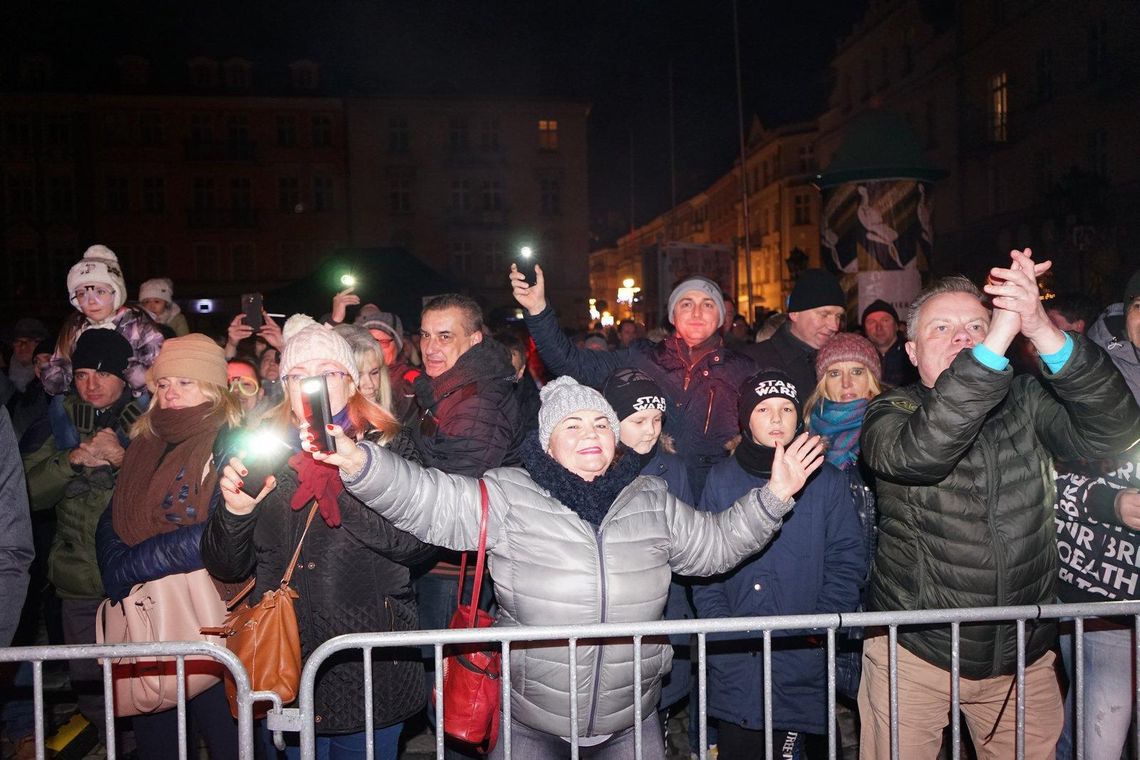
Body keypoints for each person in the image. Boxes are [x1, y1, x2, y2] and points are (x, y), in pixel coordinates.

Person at [313, 374, 824, 759]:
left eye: (602, 424)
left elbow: (714, 546)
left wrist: (775, 495)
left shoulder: (650, 497)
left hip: (632, 720)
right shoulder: (509, 495)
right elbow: (427, 499)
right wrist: (361, 463)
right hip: (531, 724)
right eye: (573, 425)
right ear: (547, 441)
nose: (591, 435)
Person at [857, 251, 1140, 759]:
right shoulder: (891, 410)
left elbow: (1114, 430)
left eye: (977, 325)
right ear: (912, 351)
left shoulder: (1027, 401)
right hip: (916, 653)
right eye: (942, 327)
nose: (963, 336)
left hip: (1021, 657)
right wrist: (988, 349)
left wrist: (1041, 329)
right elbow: (921, 453)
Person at [202, 315, 432, 760]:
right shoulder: (261, 447)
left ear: (351, 382)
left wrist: (346, 477)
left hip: (367, 665)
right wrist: (235, 513)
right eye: (299, 376)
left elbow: (416, 546)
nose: (314, 386)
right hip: (285, 660)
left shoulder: (389, 445)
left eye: (327, 373)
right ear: (285, 385)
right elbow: (226, 566)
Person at [695, 370, 864, 759]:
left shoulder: (826, 481)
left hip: (803, 657)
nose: (776, 418)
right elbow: (704, 560)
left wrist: (821, 623)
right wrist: (722, 626)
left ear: (799, 417)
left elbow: (846, 558)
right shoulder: (720, 480)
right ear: (745, 420)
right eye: (764, 409)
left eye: (786, 408)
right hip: (737, 658)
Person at [94, 334, 242, 759]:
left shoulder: (228, 439)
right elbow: (114, 512)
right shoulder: (145, 438)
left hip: (208, 612)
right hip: (145, 610)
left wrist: (130, 566)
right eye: (163, 384)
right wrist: (112, 561)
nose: (171, 393)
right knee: (156, 732)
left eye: (185, 382)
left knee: (227, 734)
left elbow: (219, 530)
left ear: (213, 387)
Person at [513, 268, 755, 495]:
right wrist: (538, 310)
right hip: (650, 492)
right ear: (673, 315)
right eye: (686, 304)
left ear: (721, 317)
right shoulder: (644, 357)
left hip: (715, 497)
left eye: (708, 304)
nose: (696, 312)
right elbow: (572, 362)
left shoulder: (742, 368)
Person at [24, 330, 141, 738]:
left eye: (104, 375)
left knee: (146, 683)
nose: (91, 385)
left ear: (126, 378)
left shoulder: (151, 419)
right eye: (83, 374)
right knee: (90, 683)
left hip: (139, 580)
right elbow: (23, 495)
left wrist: (123, 459)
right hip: (78, 581)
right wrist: (70, 460)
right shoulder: (57, 420)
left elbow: (170, 497)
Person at [1054, 269, 1140, 760]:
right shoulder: (1090, 375)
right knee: (1098, 739)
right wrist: (1113, 503)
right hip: (1108, 590)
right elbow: (1047, 476)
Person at [42, 246, 164, 400]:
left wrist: (132, 376)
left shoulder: (137, 324)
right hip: (88, 397)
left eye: (100, 292)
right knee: (59, 405)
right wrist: (56, 378)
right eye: (82, 294)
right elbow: (61, 363)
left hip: (131, 397)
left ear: (116, 293)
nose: (91, 301)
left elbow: (157, 366)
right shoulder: (74, 328)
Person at [744, 269, 845, 396]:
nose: (834, 326)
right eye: (824, 314)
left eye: (838, 316)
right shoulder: (753, 362)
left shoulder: (841, 360)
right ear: (795, 314)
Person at [355, 305, 418, 425]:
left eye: (383, 342)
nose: (376, 349)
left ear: (398, 345)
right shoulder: (351, 376)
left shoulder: (409, 380)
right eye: (372, 342)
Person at [859, 299, 918, 387]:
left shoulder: (912, 354)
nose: (879, 327)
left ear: (896, 326)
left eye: (885, 320)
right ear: (865, 330)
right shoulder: (859, 357)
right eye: (871, 322)